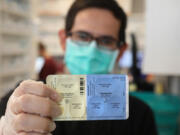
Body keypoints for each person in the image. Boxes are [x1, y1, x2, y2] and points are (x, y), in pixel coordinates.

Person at [0, 0, 158, 135]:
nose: (92, 50)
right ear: (63, 40)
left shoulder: (139, 115)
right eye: (82, 36)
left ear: (120, 51)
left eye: (106, 40)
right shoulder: (21, 101)